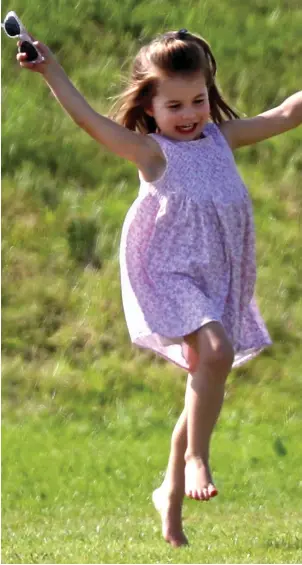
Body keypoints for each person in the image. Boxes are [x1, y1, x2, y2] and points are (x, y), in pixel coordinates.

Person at [17, 28, 301, 548]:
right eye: (175, 105)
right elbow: (89, 120)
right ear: (149, 107)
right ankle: (195, 457)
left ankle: (169, 491)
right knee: (215, 352)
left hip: (218, 274)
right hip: (170, 272)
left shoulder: (222, 138)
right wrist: (49, 69)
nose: (190, 113)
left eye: (198, 100)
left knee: (205, 378)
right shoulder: (152, 152)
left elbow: (287, 114)